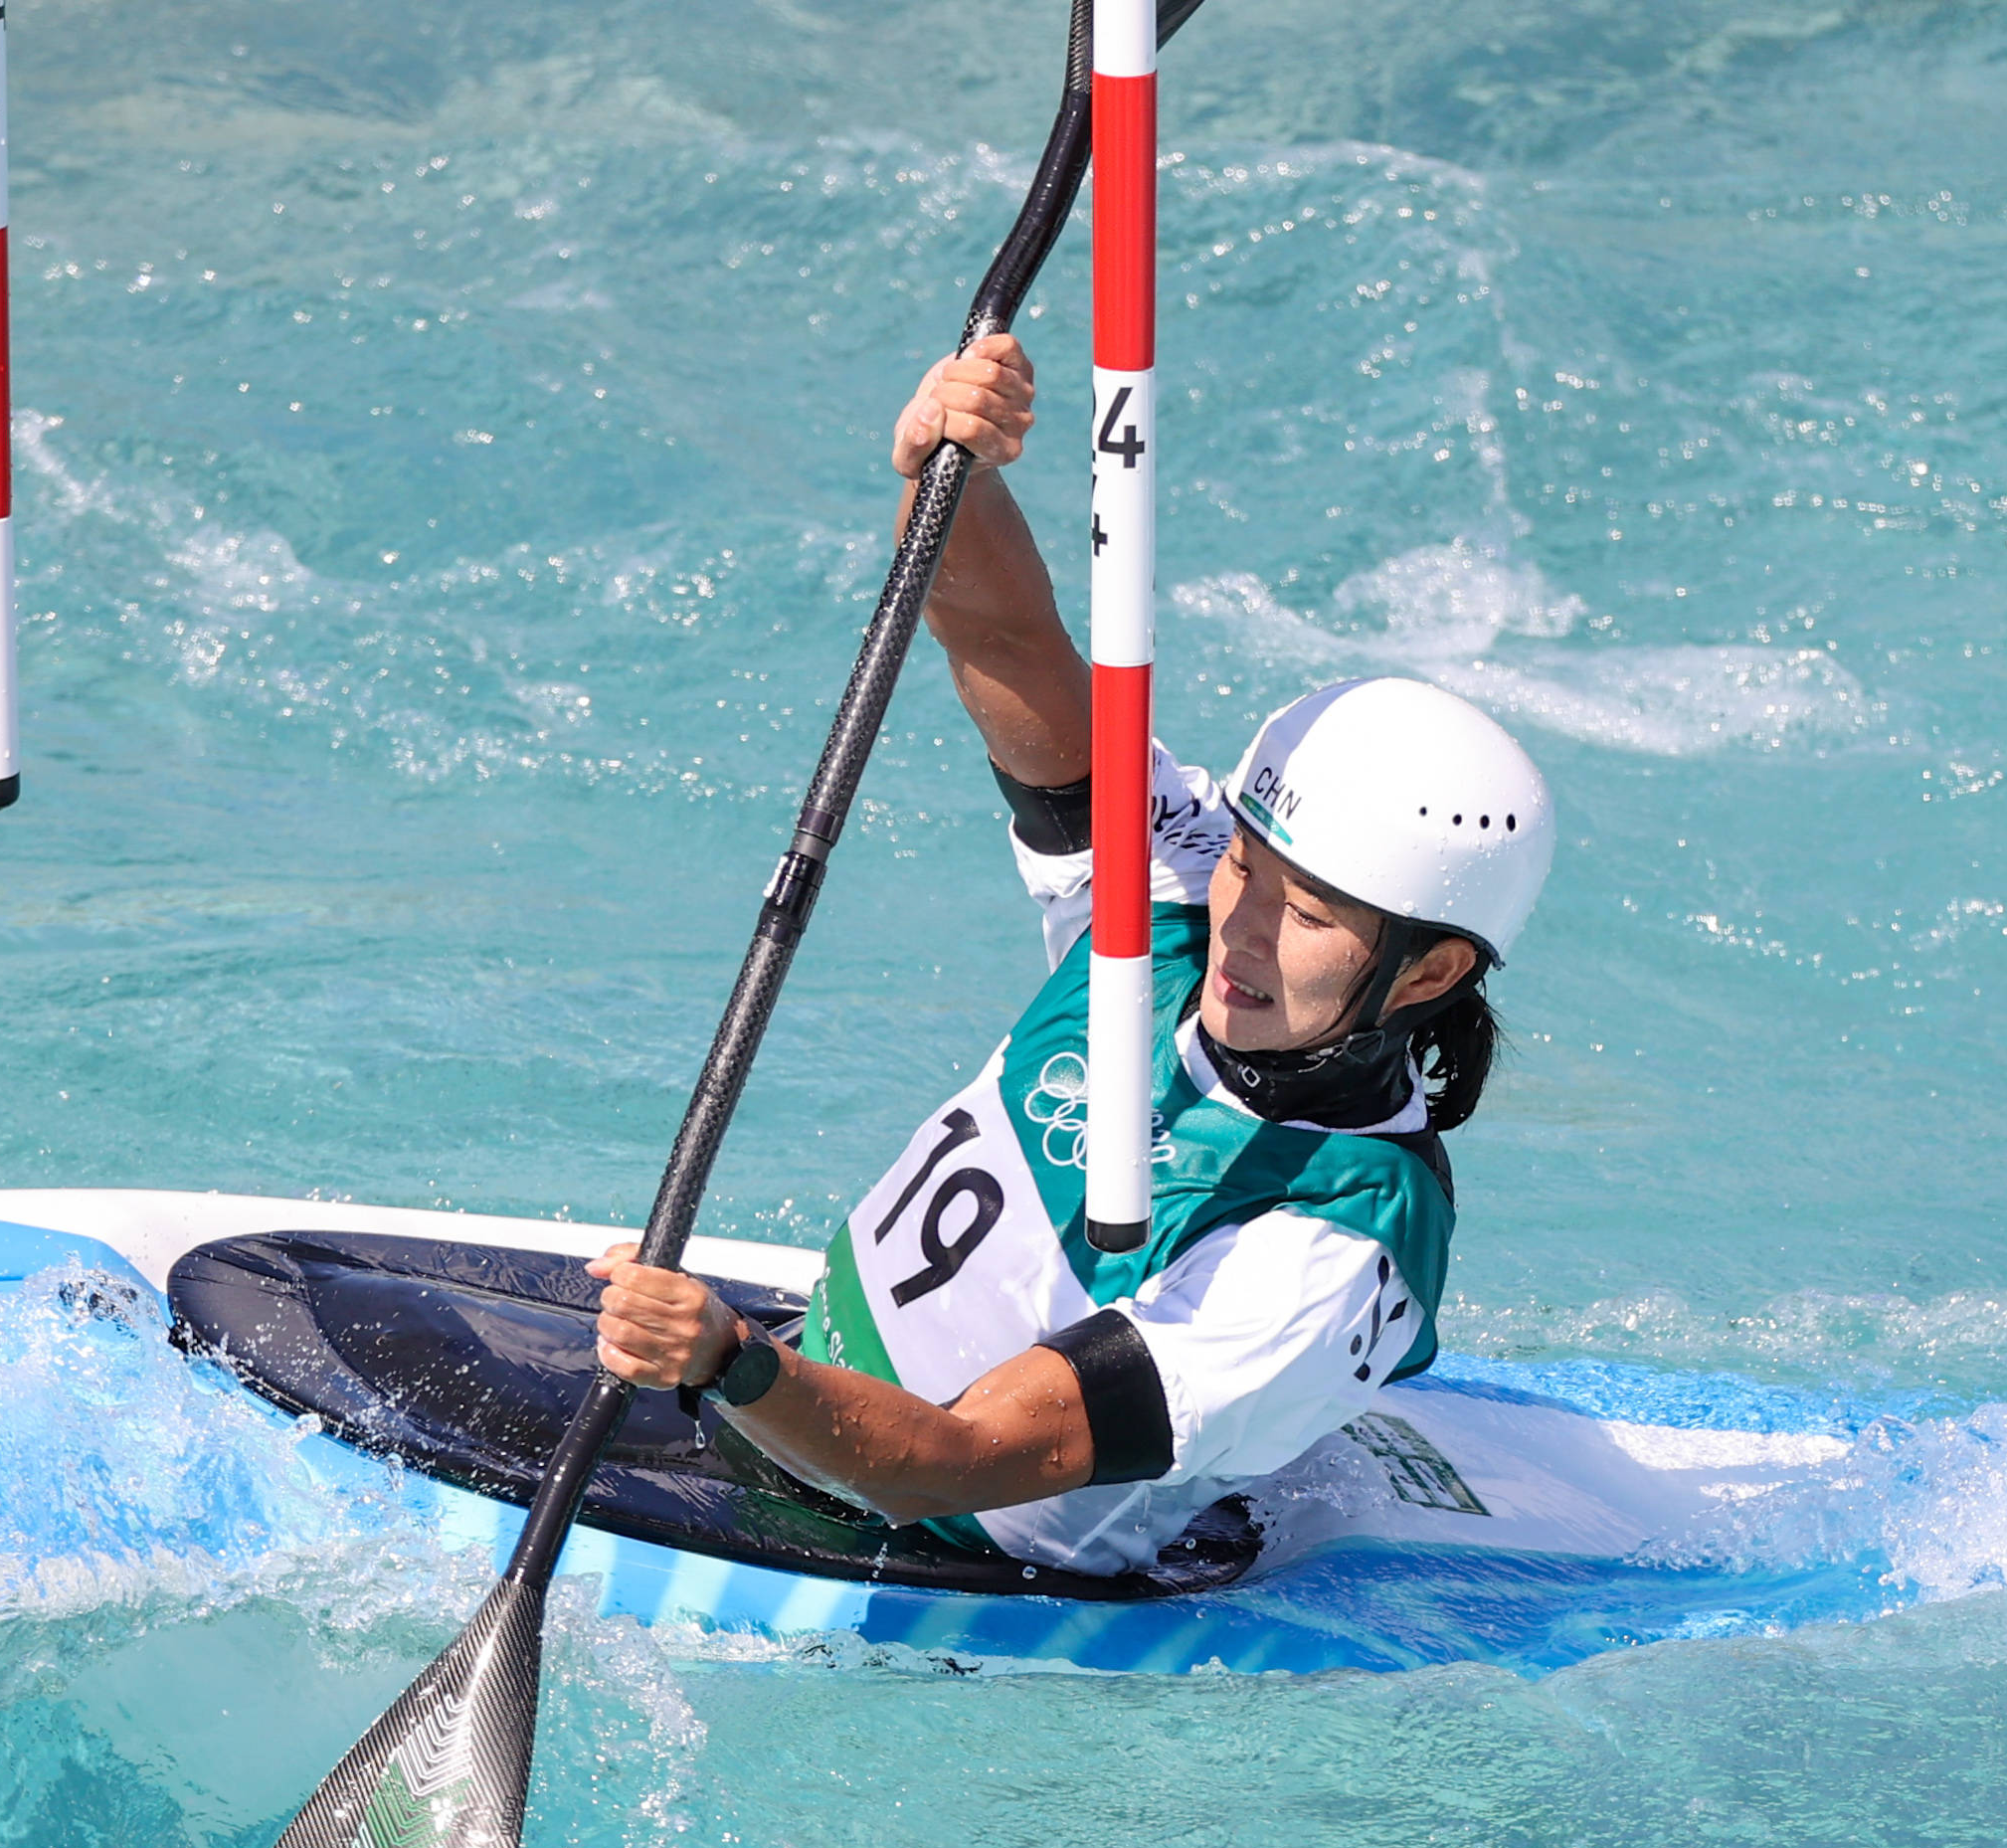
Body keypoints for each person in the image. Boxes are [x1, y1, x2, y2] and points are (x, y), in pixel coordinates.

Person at [589, 332, 1557, 1575]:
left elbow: (952, 1458)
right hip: (787, 1404)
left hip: (942, 1542)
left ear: (1425, 976)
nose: (1241, 931)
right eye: (1249, 870)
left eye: (1311, 918)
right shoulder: (1171, 902)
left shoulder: (1326, 1248)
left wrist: (729, 1361)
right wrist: (955, 466)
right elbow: (995, 632)